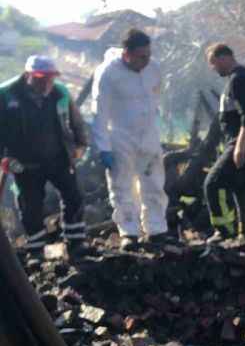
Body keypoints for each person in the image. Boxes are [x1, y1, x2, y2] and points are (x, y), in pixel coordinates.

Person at [0, 55, 88, 255]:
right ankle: (36, 250)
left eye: (50, 78)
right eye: (40, 78)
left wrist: (80, 145)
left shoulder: (60, 93)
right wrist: (4, 159)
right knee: (29, 206)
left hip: (58, 158)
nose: (46, 83)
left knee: (73, 197)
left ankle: (76, 244)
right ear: (28, 75)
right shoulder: (6, 95)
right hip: (24, 163)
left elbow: (76, 123)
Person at [92, 29, 170, 250]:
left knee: (154, 183)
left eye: (148, 55)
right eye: (141, 56)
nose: (146, 60)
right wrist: (103, 147)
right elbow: (99, 112)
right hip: (120, 137)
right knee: (122, 186)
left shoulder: (153, 69)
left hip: (149, 135)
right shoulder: (108, 73)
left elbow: (157, 97)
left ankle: (156, 229)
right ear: (127, 54)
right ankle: (129, 232)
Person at [204, 43, 245, 243]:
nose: (213, 69)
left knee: (214, 183)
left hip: (243, 142)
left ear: (225, 57)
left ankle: (224, 230)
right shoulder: (241, 78)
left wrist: (239, 147)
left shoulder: (239, 80)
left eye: (214, 63)